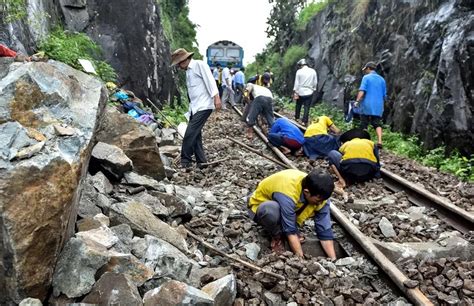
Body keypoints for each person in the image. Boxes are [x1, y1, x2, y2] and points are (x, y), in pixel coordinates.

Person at [248, 169, 336, 259]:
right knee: (269, 211)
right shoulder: (287, 191)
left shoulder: (321, 196)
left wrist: (333, 260)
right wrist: (301, 259)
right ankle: (277, 236)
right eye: (318, 201)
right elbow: (290, 231)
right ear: (306, 192)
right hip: (260, 208)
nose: (320, 203)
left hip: (289, 211)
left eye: (322, 200)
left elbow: (325, 232)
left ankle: (289, 231)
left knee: (290, 220)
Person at [171, 48, 221, 168]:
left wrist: (216, 97)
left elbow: (210, 81)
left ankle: (185, 160)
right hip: (195, 107)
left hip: (204, 105)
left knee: (190, 132)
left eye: (179, 64)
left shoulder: (199, 65)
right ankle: (201, 162)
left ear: (184, 60)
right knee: (196, 135)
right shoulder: (188, 71)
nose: (179, 67)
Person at [355, 61, 386, 148]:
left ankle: (365, 141)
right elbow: (384, 95)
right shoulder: (382, 79)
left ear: (368, 68)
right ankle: (380, 141)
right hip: (378, 105)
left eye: (366, 69)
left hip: (367, 103)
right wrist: (382, 106)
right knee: (377, 123)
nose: (365, 71)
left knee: (364, 122)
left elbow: (362, 90)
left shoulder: (366, 77)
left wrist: (357, 101)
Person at [244, 73, 274, 138]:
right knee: (270, 117)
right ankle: (274, 132)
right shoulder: (263, 87)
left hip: (259, 98)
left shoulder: (250, 84)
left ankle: (250, 133)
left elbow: (246, 91)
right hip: (270, 98)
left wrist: (246, 98)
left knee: (252, 115)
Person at [293, 59, 318, 126]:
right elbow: (315, 82)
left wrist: (296, 91)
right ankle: (304, 121)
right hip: (309, 91)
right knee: (307, 107)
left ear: (301, 65)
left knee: (298, 105)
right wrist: (313, 89)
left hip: (300, 91)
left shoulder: (299, 71)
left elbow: (297, 83)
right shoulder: (313, 71)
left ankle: (297, 118)